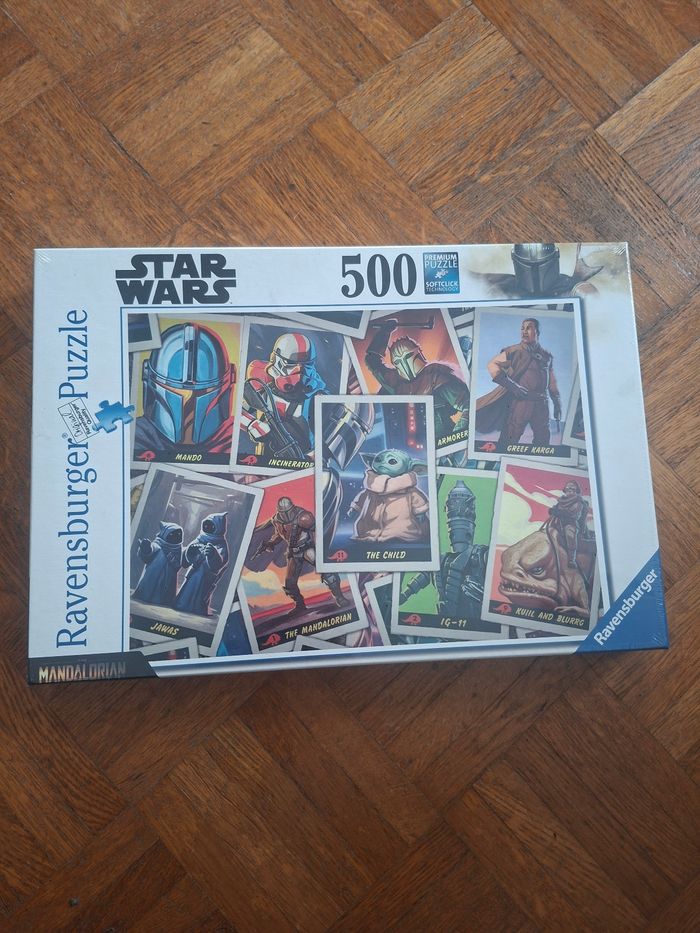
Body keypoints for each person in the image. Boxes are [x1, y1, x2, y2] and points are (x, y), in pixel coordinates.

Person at [364, 319, 469, 439]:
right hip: (409, 438)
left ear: (418, 353)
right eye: (398, 361)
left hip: (439, 437)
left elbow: (469, 406)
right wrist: (385, 332)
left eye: (408, 356)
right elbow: (372, 360)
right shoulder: (395, 382)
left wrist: (454, 438)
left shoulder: (435, 375)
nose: (405, 364)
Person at [476, 318, 562, 449]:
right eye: (522, 328)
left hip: (541, 404)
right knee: (509, 439)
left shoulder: (546, 356)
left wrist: (557, 404)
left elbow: (552, 383)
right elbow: (492, 365)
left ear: (537, 331)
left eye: (529, 328)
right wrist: (513, 386)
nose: (524, 331)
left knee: (543, 443)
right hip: (521, 402)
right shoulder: (513, 351)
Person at [240, 333, 326, 461]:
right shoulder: (261, 382)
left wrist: (315, 457)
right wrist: (252, 424)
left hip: (302, 458)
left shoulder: (317, 393)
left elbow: (331, 438)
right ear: (276, 359)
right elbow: (235, 411)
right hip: (265, 457)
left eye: (306, 365)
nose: (299, 370)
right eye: (291, 363)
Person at [256, 497, 347, 614]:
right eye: (282, 512)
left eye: (287, 511)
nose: (285, 514)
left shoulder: (304, 517)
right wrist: (271, 543)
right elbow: (279, 535)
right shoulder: (276, 520)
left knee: (327, 573)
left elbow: (316, 532)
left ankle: (340, 597)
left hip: (307, 548)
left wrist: (319, 549)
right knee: (290, 583)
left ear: (292, 508)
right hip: (294, 552)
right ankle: (300, 606)